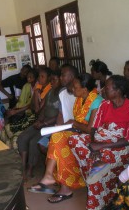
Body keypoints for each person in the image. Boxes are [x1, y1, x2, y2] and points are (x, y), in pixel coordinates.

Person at [69, 75, 129, 210]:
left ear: (118, 90)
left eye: (107, 87)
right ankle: (97, 165)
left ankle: (96, 172)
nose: (103, 89)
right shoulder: (104, 105)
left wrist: (101, 146)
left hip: (125, 145)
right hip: (102, 140)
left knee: (104, 155)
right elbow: (93, 129)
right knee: (73, 139)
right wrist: (94, 145)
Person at [29, 73, 103, 204]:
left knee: (60, 142)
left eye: (75, 87)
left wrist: (73, 123)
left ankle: (58, 183)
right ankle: (50, 177)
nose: (72, 89)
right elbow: (79, 123)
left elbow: (91, 129)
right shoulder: (81, 99)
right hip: (79, 133)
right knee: (57, 137)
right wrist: (71, 124)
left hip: (92, 137)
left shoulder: (96, 101)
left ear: (85, 89)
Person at [16, 70, 61, 180]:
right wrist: (39, 121)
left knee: (34, 141)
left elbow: (60, 116)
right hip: (43, 122)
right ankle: (23, 168)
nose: (52, 82)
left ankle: (30, 170)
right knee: (22, 137)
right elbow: (42, 108)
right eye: (51, 80)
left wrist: (44, 123)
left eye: (54, 80)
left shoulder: (62, 94)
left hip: (52, 125)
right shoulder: (50, 92)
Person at [2, 69, 38, 149]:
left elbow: (30, 105)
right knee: (6, 124)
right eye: (28, 77)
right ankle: (7, 149)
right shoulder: (27, 86)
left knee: (12, 127)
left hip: (30, 113)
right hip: (24, 110)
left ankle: (14, 146)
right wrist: (12, 109)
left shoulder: (38, 88)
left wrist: (15, 111)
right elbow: (21, 101)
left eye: (31, 77)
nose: (28, 79)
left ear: (35, 78)